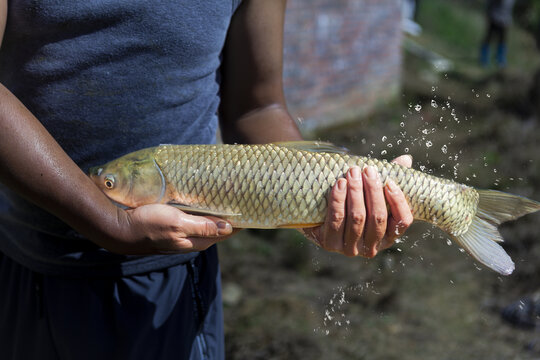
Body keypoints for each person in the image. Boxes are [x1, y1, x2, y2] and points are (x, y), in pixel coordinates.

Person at [0, 0, 414, 359]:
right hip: (18, 259)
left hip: (169, 282)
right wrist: (105, 220)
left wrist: (317, 207)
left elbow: (258, 108)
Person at [480, 0, 516, 68]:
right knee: (488, 38)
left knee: (502, 40)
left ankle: (500, 60)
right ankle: (484, 59)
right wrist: (487, 13)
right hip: (494, 17)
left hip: (505, 20)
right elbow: (489, 3)